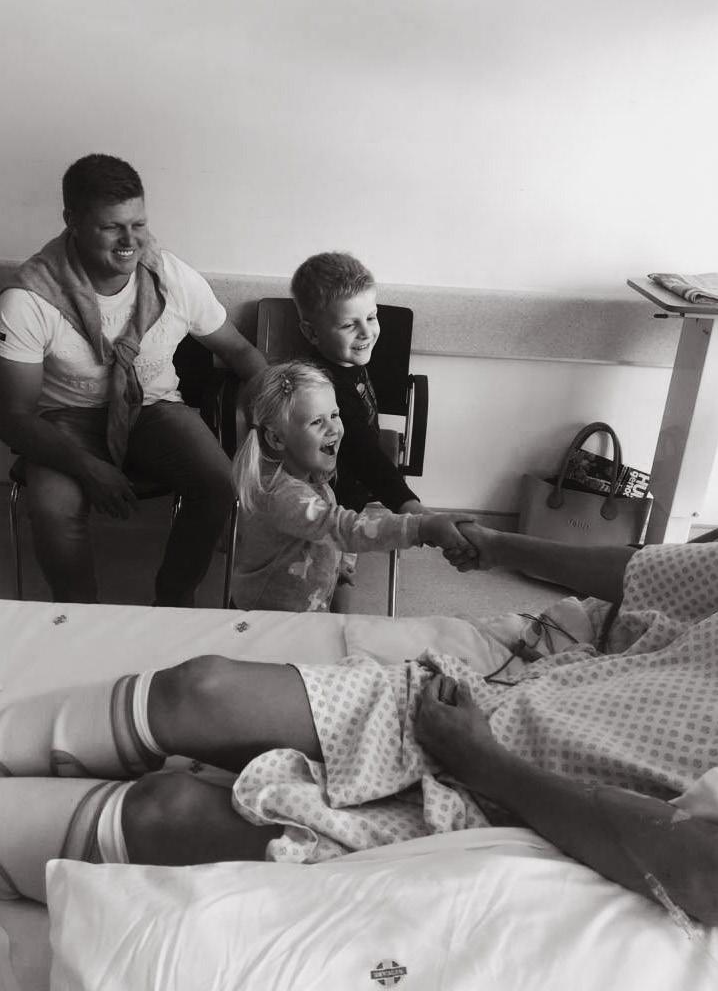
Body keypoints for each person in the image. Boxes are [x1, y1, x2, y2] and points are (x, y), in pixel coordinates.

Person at [1, 530, 718, 927]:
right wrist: (494, 545)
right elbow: (646, 572)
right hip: (490, 707)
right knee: (200, 690)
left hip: (533, 823)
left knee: (167, 812)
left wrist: (486, 765)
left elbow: (700, 871)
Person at [0, 153, 266, 606]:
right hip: (65, 418)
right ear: (72, 221)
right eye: (112, 227)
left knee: (217, 485)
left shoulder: (170, 277)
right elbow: (14, 418)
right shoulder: (29, 298)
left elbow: (239, 352)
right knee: (51, 507)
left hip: (153, 407)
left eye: (138, 224)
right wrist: (88, 468)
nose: (131, 241)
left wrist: (279, 409)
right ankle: (78, 614)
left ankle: (173, 603)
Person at [230, 360, 474, 611]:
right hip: (264, 620)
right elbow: (343, 529)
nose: (333, 429)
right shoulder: (280, 495)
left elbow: (318, 535)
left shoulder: (313, 480)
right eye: (316, 422)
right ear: (276, 438)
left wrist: (333, 564)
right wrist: (421, 527)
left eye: (334, 415)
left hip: (302, 614)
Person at [291, 252, 434, 604]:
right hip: (327, 506)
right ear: (311, 332)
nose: (367, 332)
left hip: (350, 497)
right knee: (321, 581)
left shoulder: (348, 360)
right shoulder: (322, 388)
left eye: (371, 316)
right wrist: (408, 506)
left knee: (340, 573)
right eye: (348, 325)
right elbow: (363, 453)